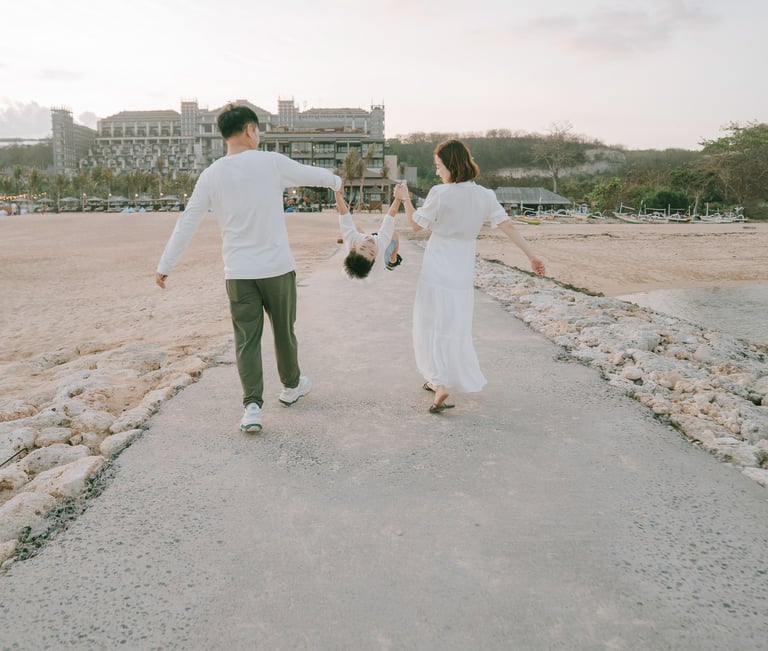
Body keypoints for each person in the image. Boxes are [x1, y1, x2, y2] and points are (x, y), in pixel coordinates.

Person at [155, 104, 342, 433]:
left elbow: (189, 221)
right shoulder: (271, 162)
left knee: (246, 339)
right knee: (284, 331)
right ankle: (291, 386)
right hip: (277, 268)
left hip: (239, 272)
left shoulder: (212, 174)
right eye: (258, 130)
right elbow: (313, 174)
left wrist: (165, 264)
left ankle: (252, 407)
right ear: (249, 130)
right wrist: (336, 181)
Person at [394, 139, 545, 413]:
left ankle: (439, 382)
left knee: (431, 320)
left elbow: (416, 226)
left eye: (439, 166)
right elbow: (507, 226)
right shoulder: (485, 195)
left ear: (451, 166)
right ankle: (439, 379)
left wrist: (405, 199)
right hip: (462, 267)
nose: (437, 171)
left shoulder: (440, 193)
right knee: (453, 322)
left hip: (438, 262)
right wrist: (531, 255)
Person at [335, 190, 403, 279]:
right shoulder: (381, 246)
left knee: (357, 229)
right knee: (394, 235)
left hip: (356, 257)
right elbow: (390, 217)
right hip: (382, 260)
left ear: (353, 247)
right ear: (375, 258)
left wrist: (337, 194)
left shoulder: (352, 239)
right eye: (371, 252)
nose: (370, 245)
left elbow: (344, 215)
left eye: (363, 247)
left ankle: (342, 238)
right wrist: (398, 198)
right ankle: (392, 260)